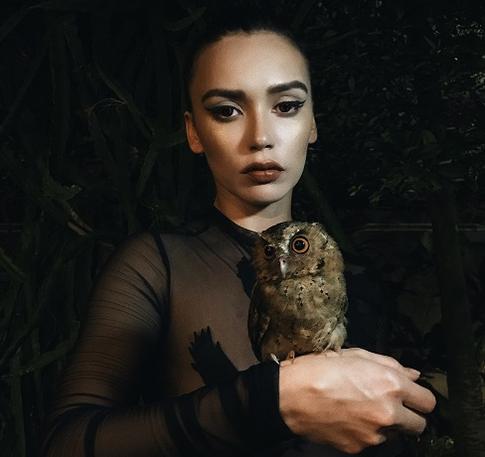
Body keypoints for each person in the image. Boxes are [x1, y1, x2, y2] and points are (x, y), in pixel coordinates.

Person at [40, 9, 436, 457]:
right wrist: (270, 402)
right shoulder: (157, 265)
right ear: (194, 132)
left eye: (286, 106)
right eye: (226, 111)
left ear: (312, 123)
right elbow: (64, 444)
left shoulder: (358, 276)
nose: (260, 136)